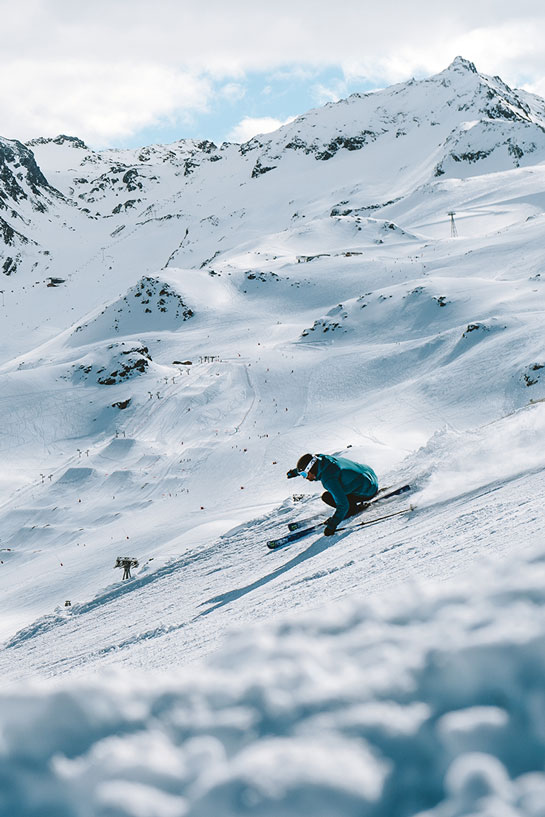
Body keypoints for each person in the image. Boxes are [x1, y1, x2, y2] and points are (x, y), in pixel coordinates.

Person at [287, 453, 378, 535]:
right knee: (337, 490)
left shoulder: (329, 479)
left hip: (368, 490)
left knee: (327, 497)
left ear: (310, 470)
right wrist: (295, 472)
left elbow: (343, 504)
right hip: (369, 475)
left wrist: (332, 526)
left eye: (304, 475)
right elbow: (309, 463)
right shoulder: (322, 459)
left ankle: (352, 509)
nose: (305, 478)